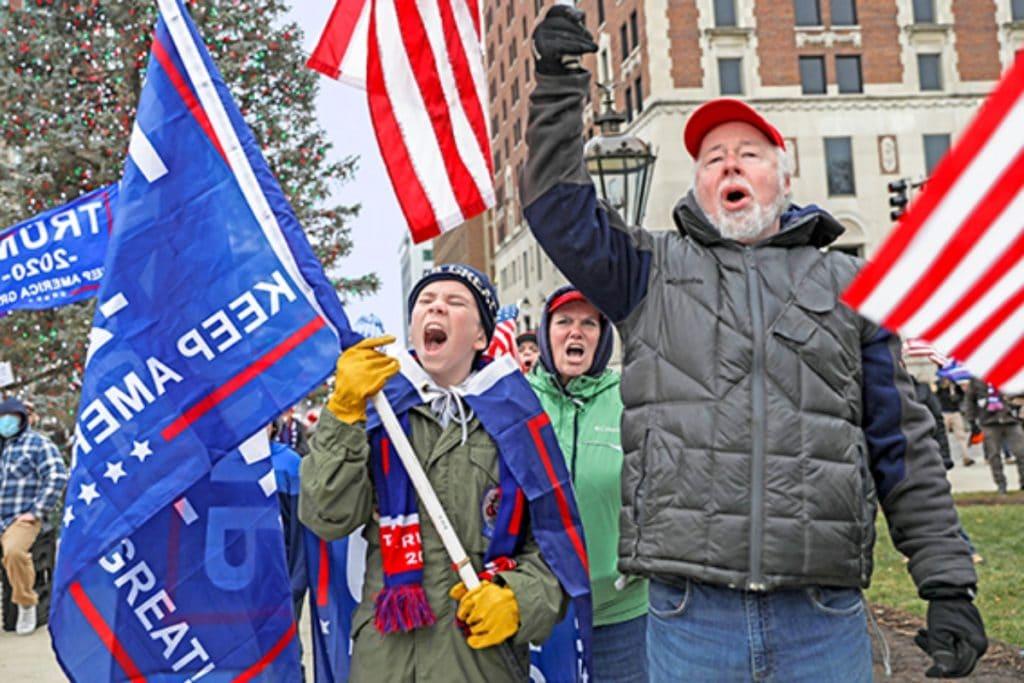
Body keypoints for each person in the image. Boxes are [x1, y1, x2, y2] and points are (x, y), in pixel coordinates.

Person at [522, 7, 987, 680]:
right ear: (700, 186)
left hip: (822, 618)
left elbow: (903, 444)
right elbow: (557, 211)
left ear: (783, 176)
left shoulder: (850, 284)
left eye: (748, 153)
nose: (729, 164)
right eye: (713, 158)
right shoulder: (649, 271)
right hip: (690, 617)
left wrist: (947, 583)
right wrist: (558, 85)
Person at [299, 264, 570, 682]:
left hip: (481, 664)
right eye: (425, 301)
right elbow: (326, 516)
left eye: (454, 302)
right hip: (386, 661)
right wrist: (342, 414)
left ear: (481, 336)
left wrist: (518, 599)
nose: (436, 307)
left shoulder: (520, 419)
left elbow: (556, 547)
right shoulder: (375, 411)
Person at [529, 286, 648, 682]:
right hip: (541, 613)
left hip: (621, 616)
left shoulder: (632, 398)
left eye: (588, 323)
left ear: (603, 336)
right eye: (563, 322)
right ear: (546, 332)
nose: (575, 333)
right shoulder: (518, 400)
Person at [0, 397, 68, 635]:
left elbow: (57, 476)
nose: (5, 423)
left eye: (11, 418)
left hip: (20, 517)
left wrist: (36, 511)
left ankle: (26, 602)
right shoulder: (3, 446)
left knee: (14, 552)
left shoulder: (37, 444)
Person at [963, 379, 1024, 494]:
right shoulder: (977, 380)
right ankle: (1001, 484)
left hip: (1010, 419)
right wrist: (971, 421)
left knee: (1021, 452)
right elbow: (970, 400)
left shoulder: (1007, 374)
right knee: (994, 455)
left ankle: (1023, 482)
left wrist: (1013, 401)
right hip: (989, 421)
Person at [936, 377, 975, 466]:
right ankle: (943, 457)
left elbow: (960, 398)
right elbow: (935, 396)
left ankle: (966, 457)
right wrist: (942, 387)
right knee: (942, 436)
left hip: (955, 412)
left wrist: (953, 391)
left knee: (961, 435)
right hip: (944, 412)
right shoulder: (938, 385)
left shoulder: (956, 386)